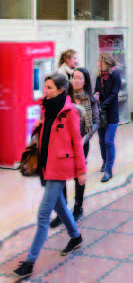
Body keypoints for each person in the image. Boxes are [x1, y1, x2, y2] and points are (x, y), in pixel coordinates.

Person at [13, 74, 86, 280]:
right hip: (45, 165)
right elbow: (46, 134)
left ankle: (29, 262)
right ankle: (76, 236)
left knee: (43, 214)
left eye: (50, 87)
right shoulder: (46, 107)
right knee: (60, 206)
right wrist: (38, 127)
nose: (46, 91)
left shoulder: (69, 112)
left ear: (61, 90)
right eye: (45, 87)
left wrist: (81, 171)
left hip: (59, 168)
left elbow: (77, 143)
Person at [50, 68, 99, 229]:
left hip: (81, 144)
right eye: (74, 77)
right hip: (63, 144)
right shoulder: (64, 98)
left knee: (79, 176)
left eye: (79, 78)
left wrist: (83, 140)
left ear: (85, 81)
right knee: (61, 178)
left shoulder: (90, 100)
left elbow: (95, 122)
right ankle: (62, 212)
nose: (76, 80)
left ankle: (78, 208)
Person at [94, 53, 121, 183]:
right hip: (100, 113)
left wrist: (103, 105)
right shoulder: (99, 76)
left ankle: (109, 170)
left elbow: (114, 94)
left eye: (100, 62)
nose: (98, 64)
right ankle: (105, 161)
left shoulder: (115, 76)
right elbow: (96, 90)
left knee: (108, 141)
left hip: (111, 113)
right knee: (101, 140)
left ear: (106, 63)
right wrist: (95, 95)